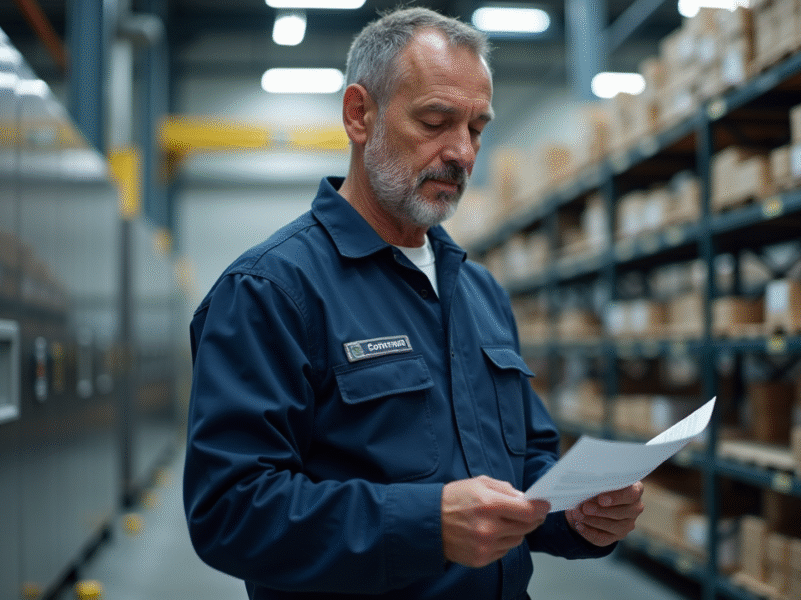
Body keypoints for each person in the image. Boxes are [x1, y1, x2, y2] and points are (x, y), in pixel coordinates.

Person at [183, 7, 644, 599]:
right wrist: (426, 524)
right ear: (360, 114)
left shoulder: (479, 292)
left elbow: (528, 464)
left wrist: (577, 514)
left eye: (476, 128)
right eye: (435, 121)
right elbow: (230, 511)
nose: (461, 153)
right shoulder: (271, 291)